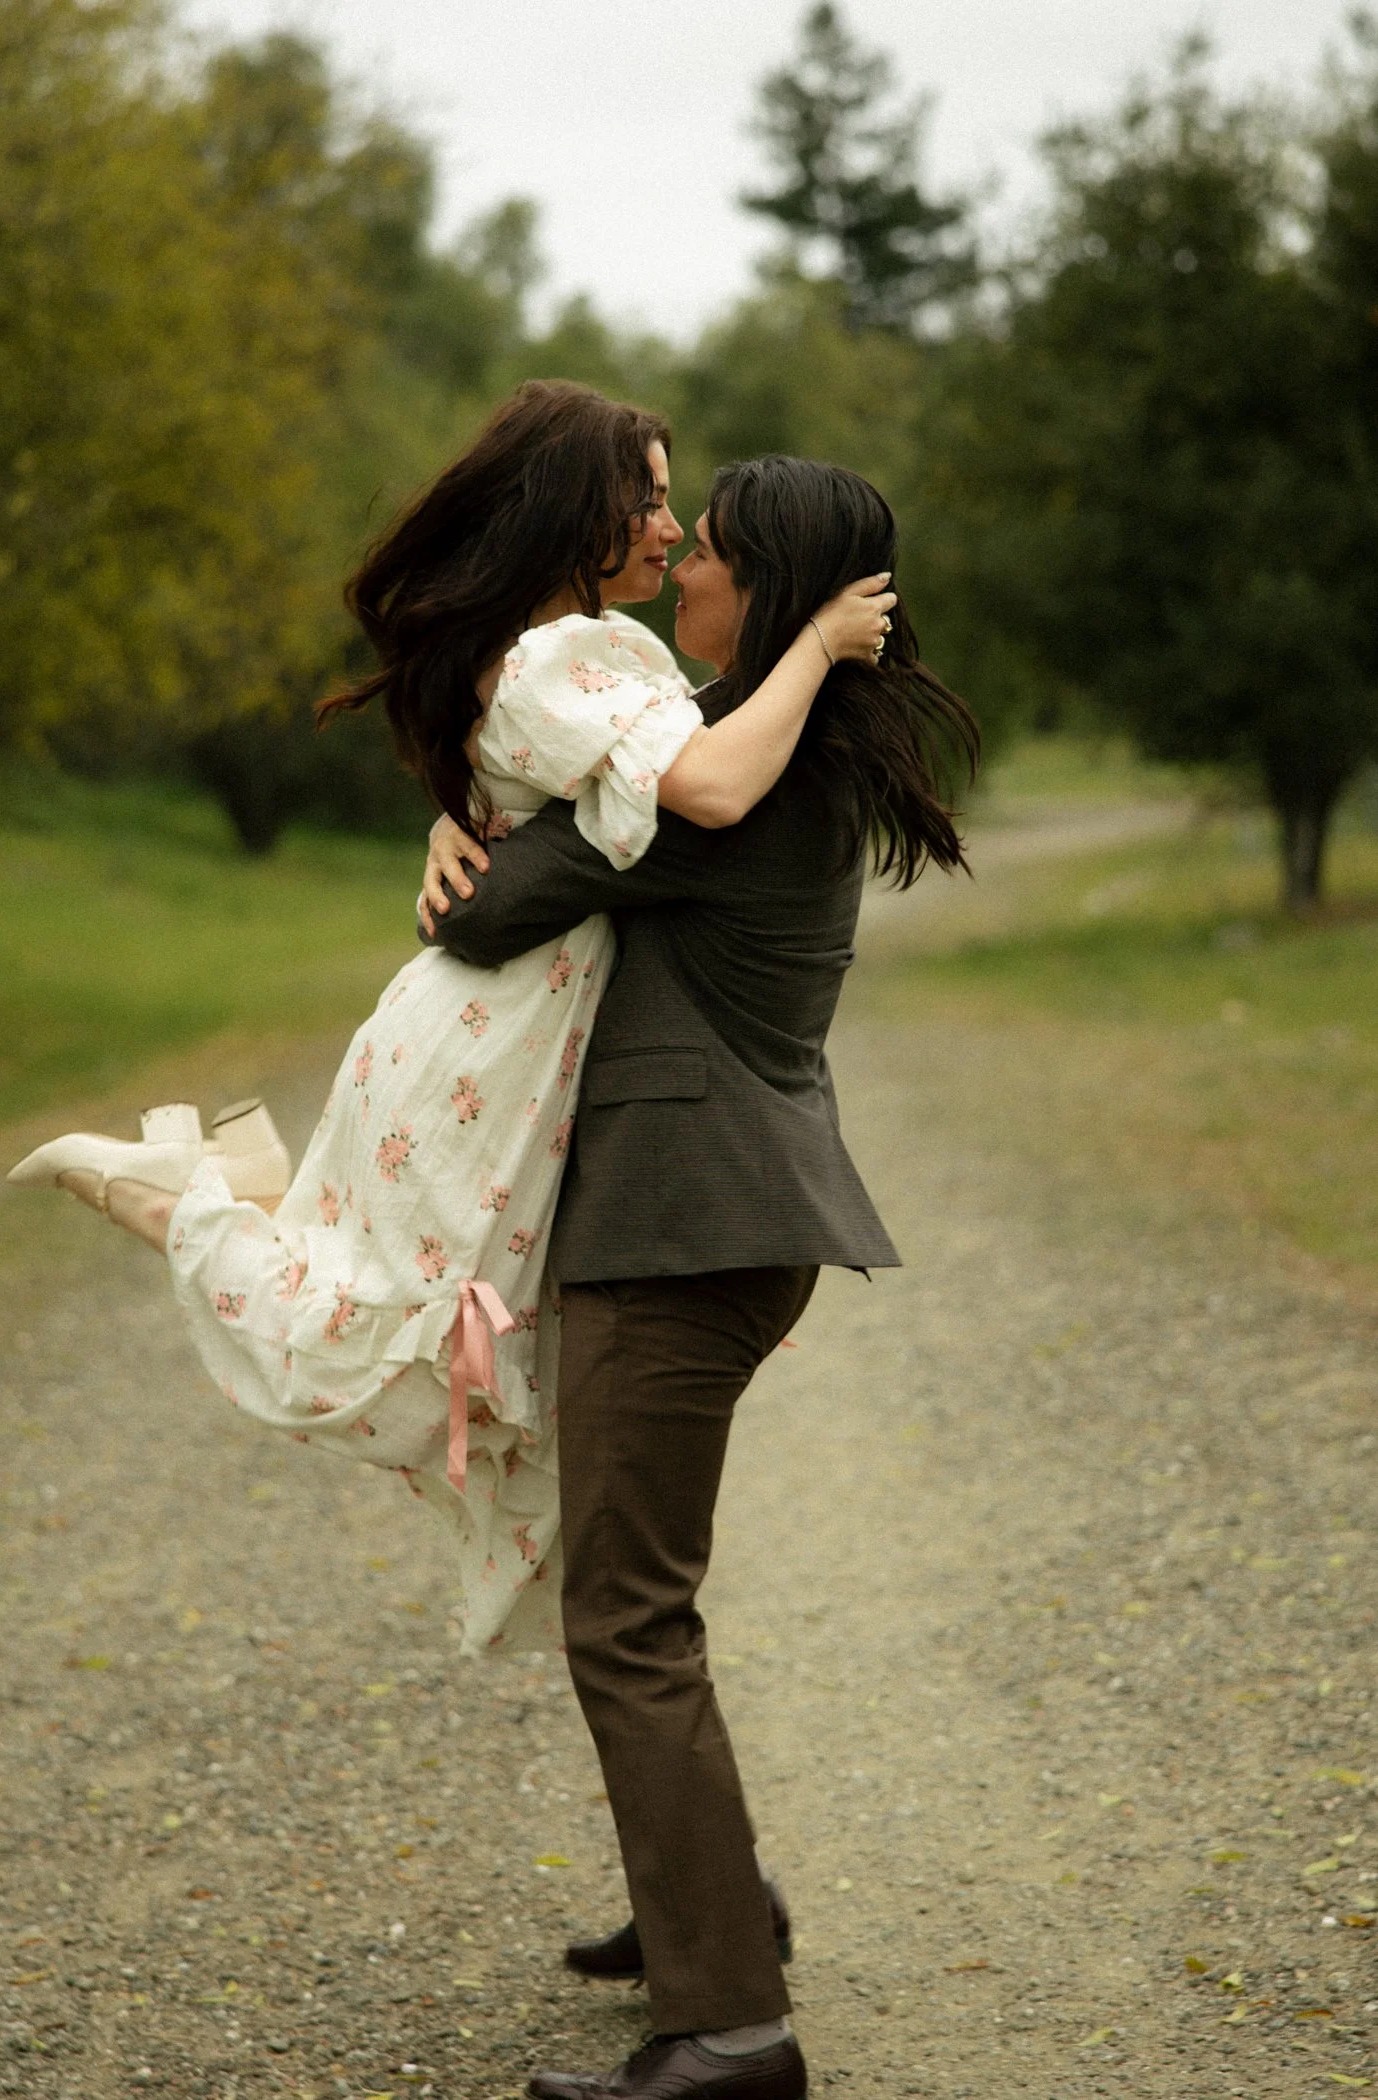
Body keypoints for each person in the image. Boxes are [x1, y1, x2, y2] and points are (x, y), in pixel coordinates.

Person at [6, 383, 893, 1655]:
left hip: (509, 1037)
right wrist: (814, 642)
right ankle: (177, 1199)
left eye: (674, 509)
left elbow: (604, 795)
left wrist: (470, 821)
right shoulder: (568, 656)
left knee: (428, 1335)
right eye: (645, 500)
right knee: (382, 1356)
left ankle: (231, 1190)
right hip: (493, 1038)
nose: (666, 525)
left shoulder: (587, 662)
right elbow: (693, 783)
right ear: (572, 515)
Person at [418, 454, 980, 2100]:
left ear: (774, 594)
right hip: (717, 1224)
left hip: (686, 1231)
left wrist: (451, 848)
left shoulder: (725, 775)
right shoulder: (752, 749)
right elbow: (532, 857)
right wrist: (455, 830)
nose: (680, 581)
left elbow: (493, 915)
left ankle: (727, 2022)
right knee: (635, 1604)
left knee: (627, 1620)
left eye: (712, 560)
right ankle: (708, 1905)